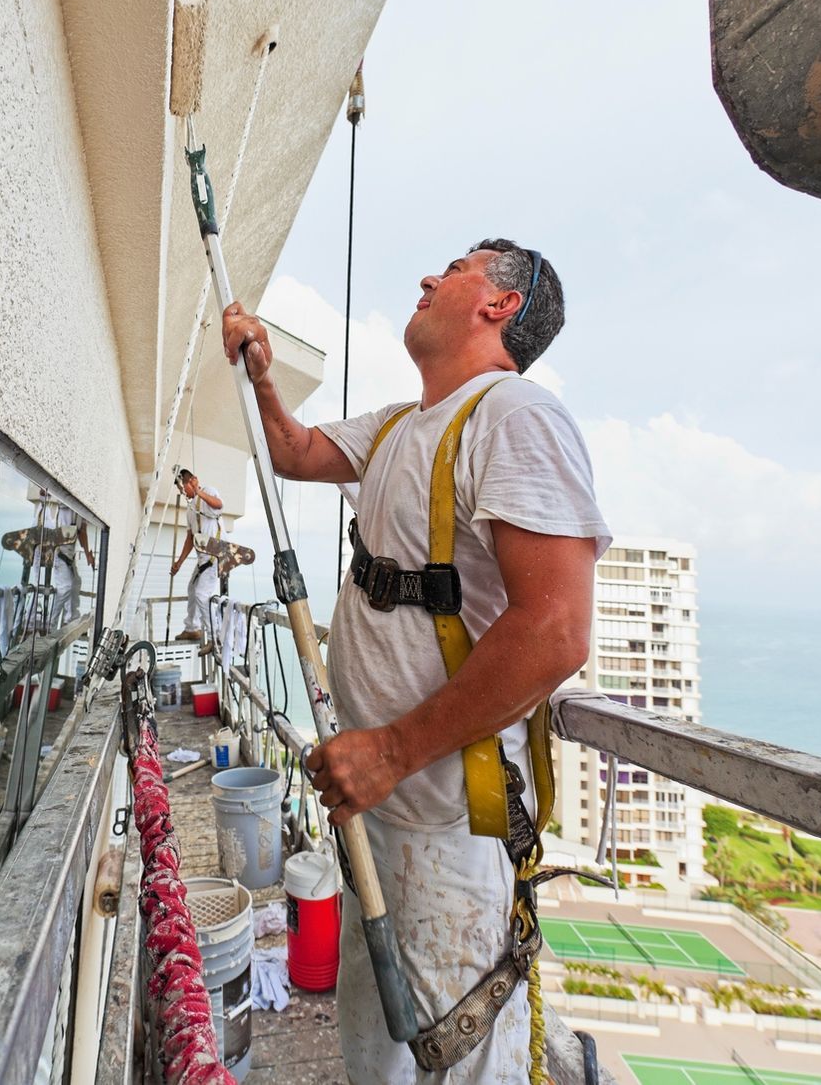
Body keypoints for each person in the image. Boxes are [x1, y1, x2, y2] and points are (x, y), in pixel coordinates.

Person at [221, 240, 607, 1085]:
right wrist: (260, 375)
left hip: (443, 821)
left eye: (458, 267)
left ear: (501, 304)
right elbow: (293, 451)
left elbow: (556, 628)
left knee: (452, 1059)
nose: (430, 277)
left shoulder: (514, 417)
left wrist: (392, 751)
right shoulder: (402, 425)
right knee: (381, 1054)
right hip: (378, 809)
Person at [167, 468, 224, 641]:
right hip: (203, 557)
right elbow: (190, 538)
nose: (182, 492)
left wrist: (199, 492)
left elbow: (219, 505)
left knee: (201, 594)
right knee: (192, 590)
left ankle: (216, 637)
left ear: (192, 481)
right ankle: (192, 628)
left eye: (183, 487)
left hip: (214, 553)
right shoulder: (190, 509)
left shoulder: (207, 492)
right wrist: (179, 562)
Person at [29, 486, 94, 629]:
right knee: (65, 587)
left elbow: (82, 532)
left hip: (69, 554)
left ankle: (70, 618)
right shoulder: (68, 505)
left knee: (76, 582)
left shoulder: (81, 513)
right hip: (60, 553)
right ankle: (50, 624)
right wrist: (46, 494)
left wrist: (88, 553)